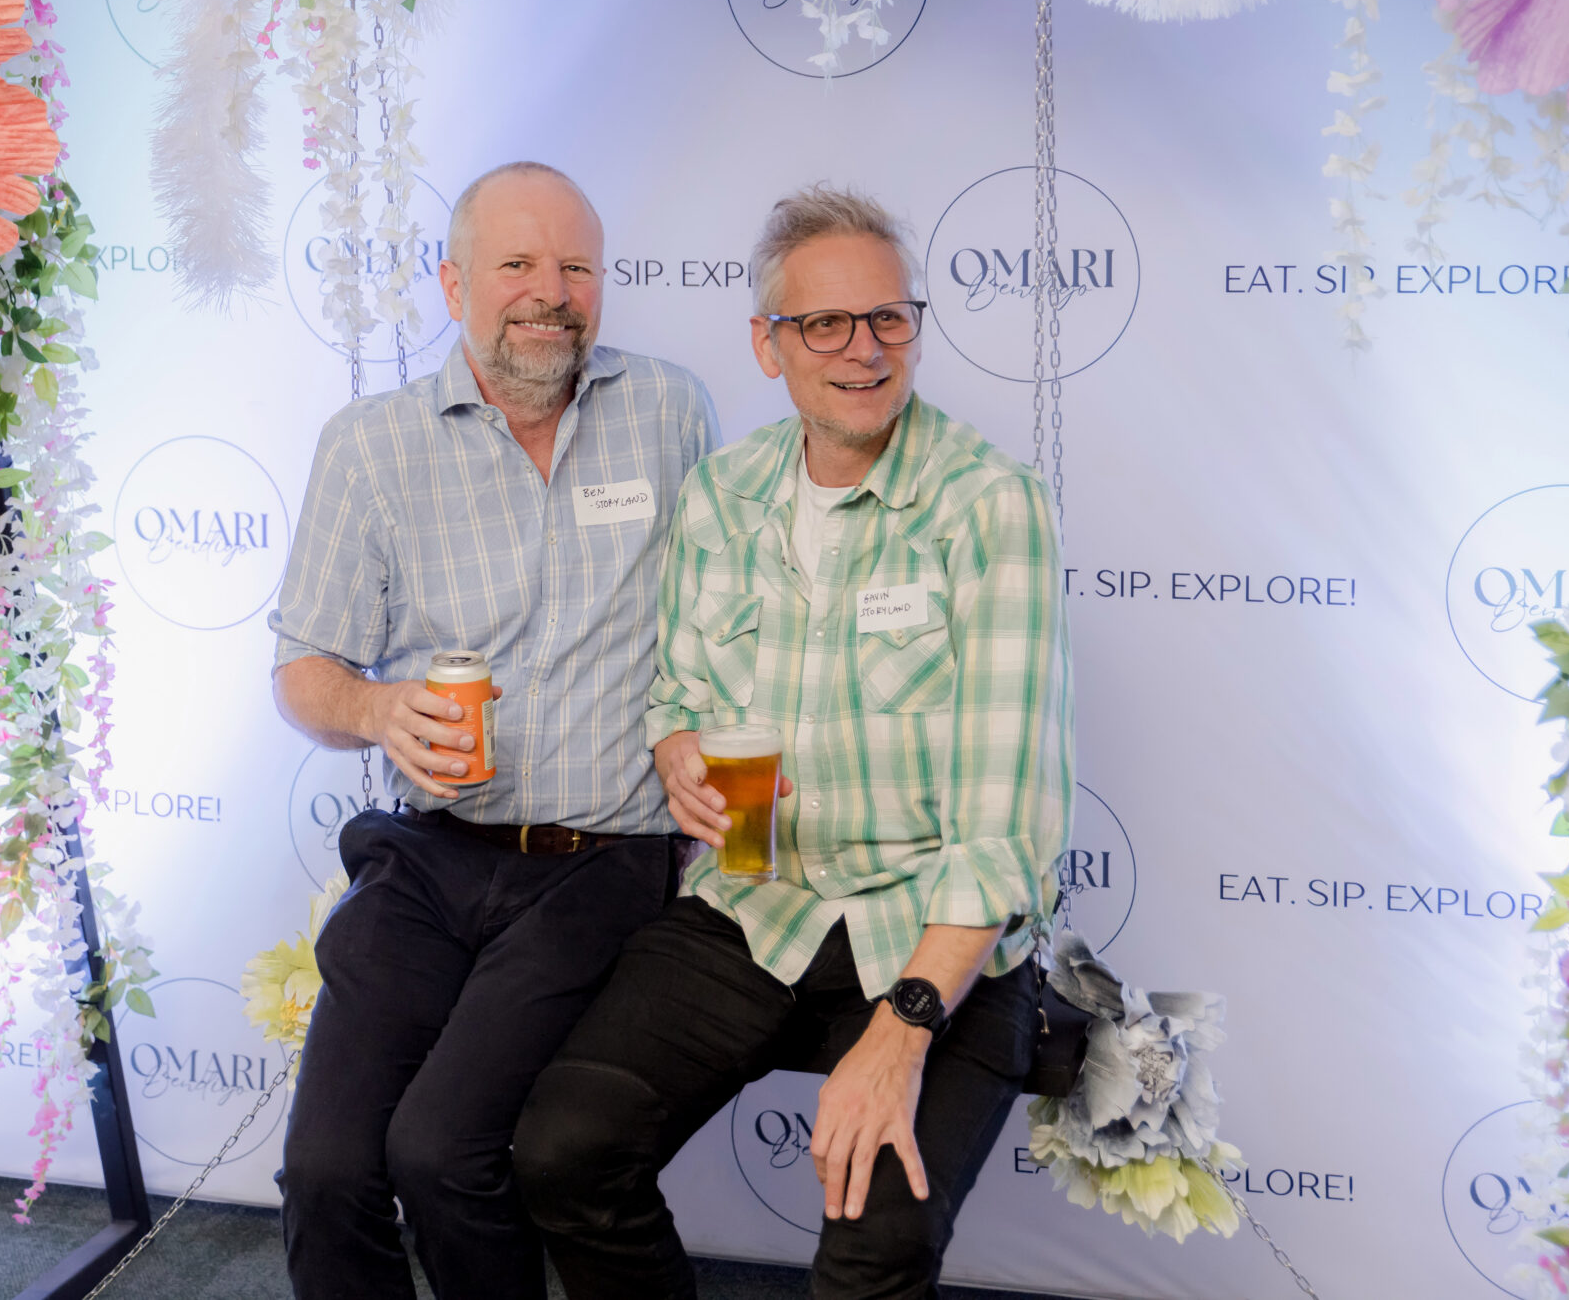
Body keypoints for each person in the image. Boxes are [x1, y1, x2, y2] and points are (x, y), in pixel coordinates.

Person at [514, 185, 1073, 1300]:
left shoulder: (990, 507)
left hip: (932, 934)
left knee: (871, 1251)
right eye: (824, 324)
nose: (864, 349)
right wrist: (676, 744)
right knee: (564, 1151)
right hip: (756, 903)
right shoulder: (723, 495)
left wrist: (901, 1031)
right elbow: (678, 691)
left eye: (888, 317)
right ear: (768, 345)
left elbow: (1002, 832)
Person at [269, 160, 720, 1300]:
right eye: (516, 263)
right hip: (429, 856)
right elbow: (303, 674)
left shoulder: (670, 412)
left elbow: (727, 620)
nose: (549, 292)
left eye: (576, 267)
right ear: (452, 282)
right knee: (326, 1168)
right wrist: (376, 708)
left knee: (442, 1153)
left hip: (600, 861)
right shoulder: (370, 444)